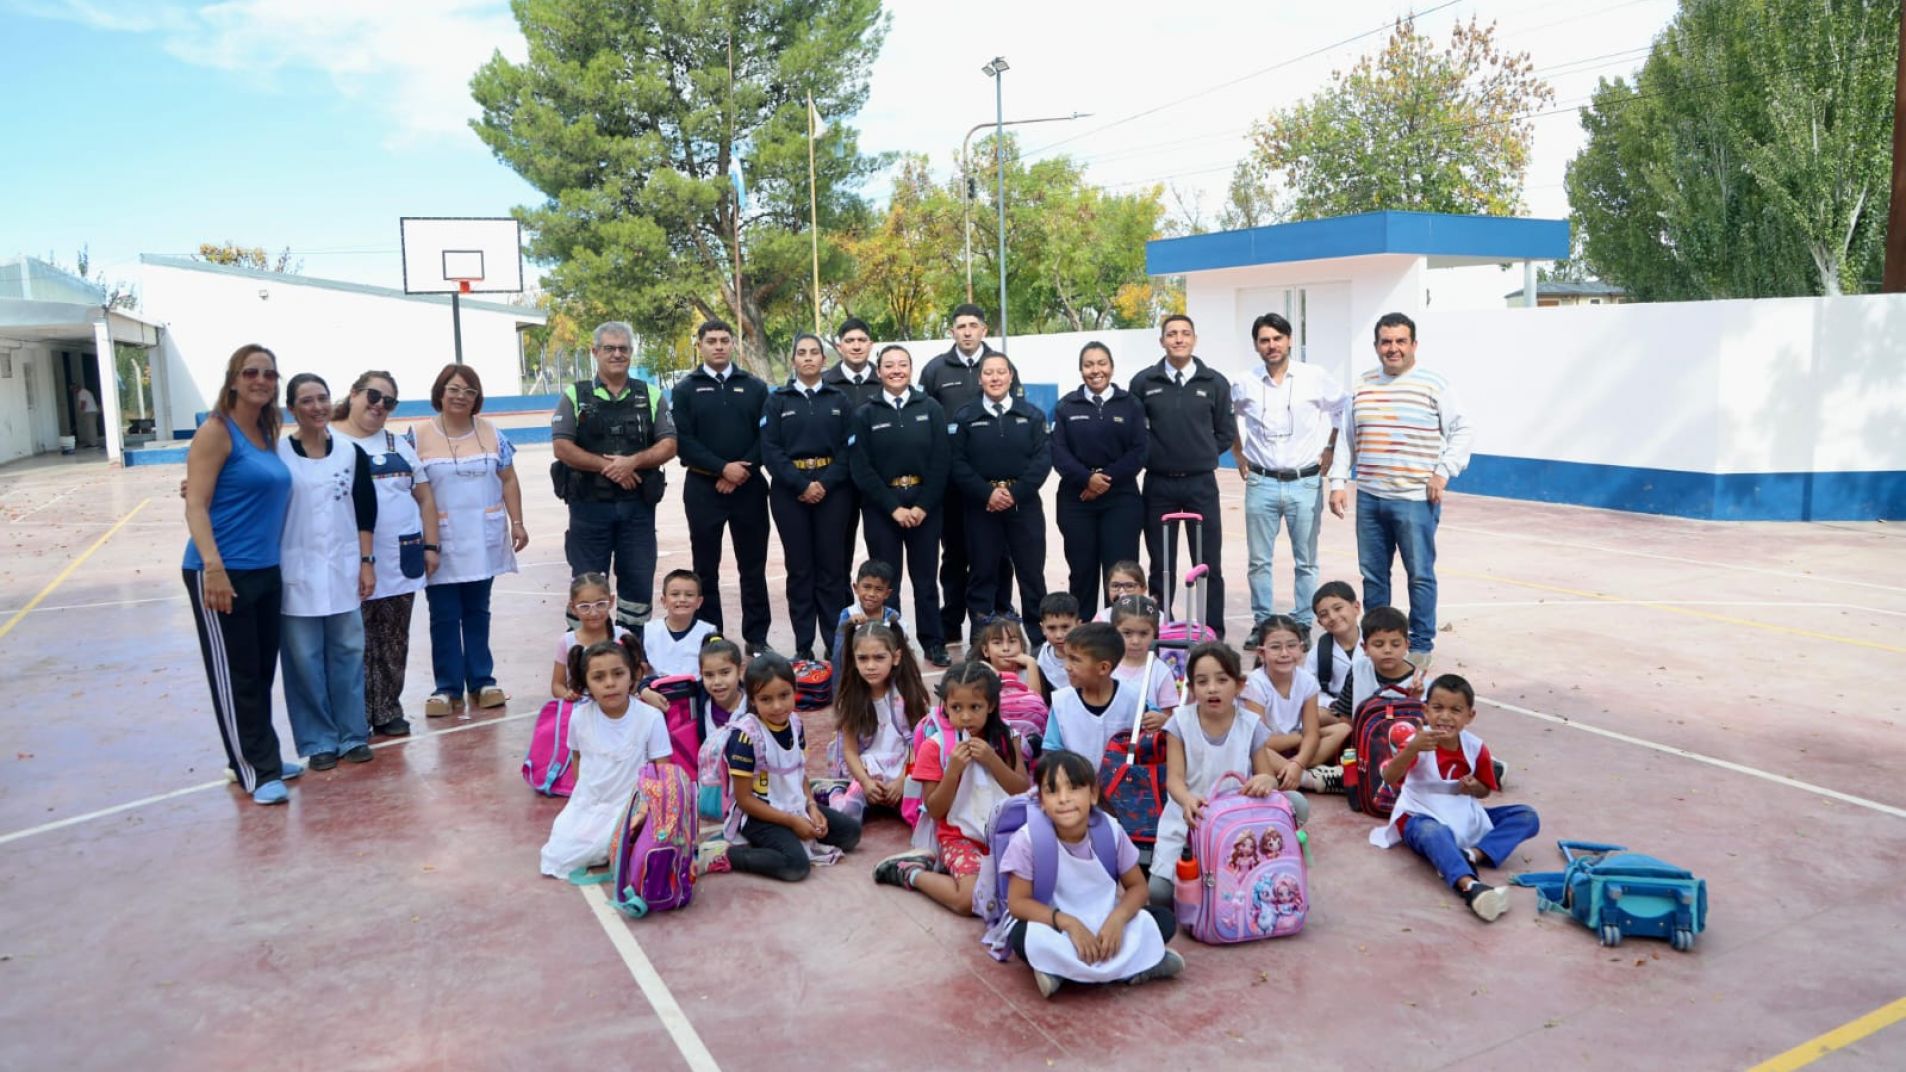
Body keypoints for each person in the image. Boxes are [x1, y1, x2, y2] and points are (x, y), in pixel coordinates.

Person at [182, 344, 300, 805]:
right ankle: (254, 769)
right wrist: (213, 567)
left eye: (270, 374)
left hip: (264, 569)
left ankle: (259, 756)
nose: (261, 380)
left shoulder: (266, 430)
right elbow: (197, 504)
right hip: (220, 571)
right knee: (236, 677)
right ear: (233, 379)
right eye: (251, 372)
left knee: (258, 672)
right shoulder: (216, 430)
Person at [1328, 312, 1473, 665]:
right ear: (1376, 346)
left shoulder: (1434, 385)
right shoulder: (1361, 386)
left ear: (1414, 345)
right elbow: (1347, 440)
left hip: (1414, 500)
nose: (1392, 348)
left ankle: (1420, 645)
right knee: (1374, 577)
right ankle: (1378, 643)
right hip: (1371, 498)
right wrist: (1337, 482)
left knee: (1420, 576)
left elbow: (1463, 431)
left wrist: (1442, 473)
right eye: (1386, 342)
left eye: (1400, 341)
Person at [1005, 750, 1183, 999]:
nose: (1064, 799)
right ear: (1042, 802)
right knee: (1023, 936)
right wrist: (1069, 923)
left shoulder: (1110, 830)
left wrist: (1117, 920)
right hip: (1058, 926)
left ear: (1093, 794)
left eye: (1074, 788)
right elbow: (1018, 903)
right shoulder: (1027, 840)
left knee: (1162, 920)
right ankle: (1142, 965)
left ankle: (1061, 972)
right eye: (1052, 791)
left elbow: (1138, 888)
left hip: (1105, 924)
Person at [1372, 673, 1539, 922]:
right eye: (1438, 708)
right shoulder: (1418, 742)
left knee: (1526, 816)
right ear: (1426, 711)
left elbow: (1485, 790)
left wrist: (1474, 787)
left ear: (1470, 716)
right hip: (1420, 814)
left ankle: (1472, 854)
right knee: (1434, 834)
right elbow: (1389, 775)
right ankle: (1471, 887)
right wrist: (1413, 749)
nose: (1446, 717)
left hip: (1463, 813)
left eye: (1456, 710)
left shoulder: (1475, 747)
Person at [1148, 642, 1306, 905]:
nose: (1212, 688)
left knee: (1298, 804)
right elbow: (1174, 779)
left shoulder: (1250, 724)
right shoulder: (1179, 722)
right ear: (1191, 689)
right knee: (1159, 893)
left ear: (1239, 685)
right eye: (1202, 681)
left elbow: (1266, 774)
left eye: (1222, 680)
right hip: (1191, 815)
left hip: (1239, 817)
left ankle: (1259, 866)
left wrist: (1264, 781)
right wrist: (1187, 799)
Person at [410, 364, 528, 717]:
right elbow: (409, 490)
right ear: (440, 392)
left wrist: (517, 522)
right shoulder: (416, 437)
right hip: (440, 541)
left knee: (478, 611)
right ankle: (447, 687)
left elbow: (508, 479)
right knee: (444, 614)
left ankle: (482, 680)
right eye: (454, 389)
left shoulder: (493, 434)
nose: (461, 396)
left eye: (469, 391)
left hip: (483, 538)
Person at [276, 373, 377, 771]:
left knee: (348, 655)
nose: (317, 407)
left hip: (343, 569)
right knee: (303, 661)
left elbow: (366, 511)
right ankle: (319, 740)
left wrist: (367, 563)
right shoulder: (279, 454)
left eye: (322, 398)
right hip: (295, 574)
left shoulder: (351, 453)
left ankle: (353, 735)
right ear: (292, 409)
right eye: (306, 400)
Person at [872, 661, 1030, 912]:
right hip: (958, 836)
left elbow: (1021, 791)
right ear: (944, 706)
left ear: (990, 705)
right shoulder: (934, 746)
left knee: (1031, 890)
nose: (965, 716)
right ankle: (911, 873)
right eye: (956, 707)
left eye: (975, 707)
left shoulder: (1008, 736)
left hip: (1005, 833)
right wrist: (953, 770)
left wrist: (992, 760)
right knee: (971, 901)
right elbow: (934, 810)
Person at [552, 321, 678, 630]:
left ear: (632, 353)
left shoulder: (650, 394)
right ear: (595, 352)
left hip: (637, 510)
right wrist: (612, 467)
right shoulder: (574, 395)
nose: (617, 354)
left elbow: (669, 444)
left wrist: (633, 461)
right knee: (588, 586)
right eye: (609, 348)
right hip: (588, 509)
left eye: (623, 348)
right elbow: (562, 448)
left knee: (637, 583)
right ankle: (583, 658)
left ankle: (632, 657)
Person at [334, 370, 439, 737]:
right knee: (354, 642)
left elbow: (425, 498)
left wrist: (431, 545)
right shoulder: (328, 441)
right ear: (353, 393)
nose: (379, 406)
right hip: (349, 561)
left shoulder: (399, 444)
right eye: (373, 396)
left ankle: (388, 710)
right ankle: (355, 715)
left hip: (400, 558)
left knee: (394, 639)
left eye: (388, 401)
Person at [700, 654, 863, 882]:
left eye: (784, 696)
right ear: (753, 700)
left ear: (794, 690)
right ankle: (726, 854)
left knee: (851, 833)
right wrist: (792, 822)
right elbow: (744, 799)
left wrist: (812, 807)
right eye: (766, 699)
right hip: (758, 815)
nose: (777, 706)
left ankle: (786, 838)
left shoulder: (795, 723)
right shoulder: (746, 737)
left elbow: (799, 772)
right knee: (795, 866)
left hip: (794, 804)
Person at [1232, 312, 1346, 634]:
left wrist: (1331, 447)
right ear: (1256, 345)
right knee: (1259, 562)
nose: (1272, 345)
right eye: (1265, 340)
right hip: (1261, 481)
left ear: (1290, 339)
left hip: (1305, 483)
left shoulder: (1315, 376)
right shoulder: (1245, 382)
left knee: (1306, 561)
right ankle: (1263, 624)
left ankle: (1303, 623)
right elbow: (1224, 415)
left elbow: (1342, 408)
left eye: (1277, 338)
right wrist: (1237, 452)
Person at [919, 304, 1023, 644]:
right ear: (952, 331)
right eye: (960, 326)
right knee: (955, 554)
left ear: (984, 329)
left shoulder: (1002, 366)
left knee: (999, 553)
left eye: (973, 325)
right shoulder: (935, 370)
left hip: (995, 484)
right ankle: (951, 622)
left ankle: (998, 615)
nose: (966, 331)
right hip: (952, 482)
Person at [1130, 315, 1237, 638]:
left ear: (1194, 339)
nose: (1178, 339)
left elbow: (1224, 433)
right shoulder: (1144, 382)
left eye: (1185, 333)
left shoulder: (1214, 382)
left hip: (1201, 484)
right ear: (1161, 341)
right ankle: (1161, 626)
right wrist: (1156, 456)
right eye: (1172, 334)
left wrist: (1199, 455)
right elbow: (1136, 433)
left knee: (1208, 563)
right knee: (1162, 563)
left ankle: (1212, 628)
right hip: (1159, 483)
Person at [670, 319, 772, 653]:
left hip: (749, 487)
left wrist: (740, 470)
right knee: (705, 567)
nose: (718, 346)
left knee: (753, 567)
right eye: (711, 340)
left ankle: (756, 638)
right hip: (703, 489)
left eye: (724, 340)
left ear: (733, 344)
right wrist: (721, 469)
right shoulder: (686, 389)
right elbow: (683, 441)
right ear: (699, 344)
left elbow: (766, 437)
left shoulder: (754, 387)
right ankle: (711, 635)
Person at [847, 345, 952, 666]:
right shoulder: (865, 413)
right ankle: (892, 640)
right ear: (878, 372)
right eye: (889, 365)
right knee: (885, 582)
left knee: (925, 580)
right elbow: (861, 467)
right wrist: (893, 508)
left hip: (925, 506)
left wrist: (921, 506)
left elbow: (941, 461)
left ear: (910, 369)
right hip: (883, 508)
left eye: (902, 365)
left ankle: (933, 642)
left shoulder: (930, 407)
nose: (896, 370)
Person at [538, 638, 673, 878]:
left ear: (632, 676)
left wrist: (646, 809)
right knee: (559, 853)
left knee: (609, 844)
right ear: (586, 683)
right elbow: (578, 758)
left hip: (632, 804)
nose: (610, 683)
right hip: (589, 802)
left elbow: (663, 771)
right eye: (598, 677)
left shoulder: (650, 717)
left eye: (618, 673)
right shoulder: (580, 717)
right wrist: (581, 799)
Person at [761, 333, 854, 660]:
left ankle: (834, 641)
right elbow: (770, 450)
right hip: (790, 493)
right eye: (802, 353)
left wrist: (824, 483)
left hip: (833, 491)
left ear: (824, 360)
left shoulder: (838, 399)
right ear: (793, 360)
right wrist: (801, 485)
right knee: (800, 570)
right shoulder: (778, 400)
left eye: (815, 352)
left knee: (832, 569)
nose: (809, 358)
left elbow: (848, 448)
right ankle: (803, 645)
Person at [950, 352, 1050, 629]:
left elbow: (1042, 461)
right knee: (982, 574)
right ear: (980, 379)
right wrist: (987, 494)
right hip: (982, 507)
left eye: (1001, 372)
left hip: (1024, 506)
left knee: (1031, 575)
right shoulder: (965, 417)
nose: (995, 378)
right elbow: (957, 463)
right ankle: (981, 638)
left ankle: (1038, 637)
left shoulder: (1031, 415)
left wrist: (1014, 493)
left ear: (1011, 376)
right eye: (988, 373)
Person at [1050, 342, 1147, 613]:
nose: (1096, 370)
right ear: (1081, 369)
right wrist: (1086, 479)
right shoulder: (1066, 406)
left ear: (1112, 367)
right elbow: (1058, 451)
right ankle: (1085, 640)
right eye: (1089, 364)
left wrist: (1103, 480)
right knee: (1082, 572)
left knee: (1121, 575)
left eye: (1102, 363)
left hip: (1121, 500)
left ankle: (1122, 632)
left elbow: (1139, 451)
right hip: (1076, 500)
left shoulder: (1130, 404)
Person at [826, 620, 931, 821]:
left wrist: (902, 780)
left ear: (896, 657)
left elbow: (915, 745)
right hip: (866, 771)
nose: (870, 666)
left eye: (879, 657)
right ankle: (835, 792)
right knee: (846, 816)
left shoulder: (908, 694)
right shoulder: (850, 698)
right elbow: (849, 750)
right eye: (863, 659)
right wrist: (865, 782)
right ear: (853, 659)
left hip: (905, 768)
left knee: (921, 814)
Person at [1241, 616, 1350, 791]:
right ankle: (1309, 779)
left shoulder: (1306, 681)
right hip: (1266, 750)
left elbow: (1312, 734)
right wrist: (1303, 737)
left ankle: (1292, 773)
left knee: (1343, 729)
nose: (1284, 653)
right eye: (1275, 647)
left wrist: (1298, 763)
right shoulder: (1254, 684)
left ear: (1301, 649)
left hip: (1293, 748)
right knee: (1250, 749)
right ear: (1261, 654)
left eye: (1291, 646)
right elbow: (1261, 741)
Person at [821, 317, 884, 559]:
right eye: (849, 341)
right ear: (839, 347)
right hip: (838, 480)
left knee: (881, 547)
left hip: (878, 479)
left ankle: (881, 597)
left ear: (871, 344)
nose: (856, 346)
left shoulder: (886, 380)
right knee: (838, 548)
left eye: (861, 340)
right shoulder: (824, 383)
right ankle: (841, 598)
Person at [1041, 622, 1141, 763]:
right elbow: (1051, 751)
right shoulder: (1061, 702)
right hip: (1074, 783)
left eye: (1075, 660)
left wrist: (1159, 720)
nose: (1067, 667)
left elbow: (1154, 730)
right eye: (1067, 657)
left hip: (1124, 783)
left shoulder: (1135, 698)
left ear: (1103, 668)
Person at [1328, 606, 1425, 725]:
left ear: (1406, 646)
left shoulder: (1419, 683)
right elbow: (1345, 717)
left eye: (1395, 644)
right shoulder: (1358, 671)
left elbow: (1426, 726)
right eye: (1378, 645)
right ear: (1365, 648)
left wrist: (1415, 700)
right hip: (1362, 741)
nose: (1387, 650)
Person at [551, 573, 630, 701]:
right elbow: (557, 685)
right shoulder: (567, 641)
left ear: (611, 601)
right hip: (581, 709)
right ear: (573, 608)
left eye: (600, 604)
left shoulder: (623, 637)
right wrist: (567, 694)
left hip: (618, 707)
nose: (593, 613)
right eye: (584, 607)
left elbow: (636, 677)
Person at [1108, 597, 1182, 716]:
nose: (1136, 641)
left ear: (1154, 633)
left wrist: (1161, 720)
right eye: (1127, 633)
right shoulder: (1105, 666)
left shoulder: (1161, 672)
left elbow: (1169, 717)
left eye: (1143, 633)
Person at [643, 570, 719, 678]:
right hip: (657, 692)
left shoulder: (708, 632)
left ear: (699, 602)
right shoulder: (649, 631)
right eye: (675, 594)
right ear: (664, 601)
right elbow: (640, 669)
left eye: (689, 595)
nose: (682, 599)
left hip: (696, 692)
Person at [1305, 580, 1363, 710]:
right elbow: (1310, 691)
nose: (1332, 617)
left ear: (1356, 608)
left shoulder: (1378, 641)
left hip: (1376, 709)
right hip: (1336, 711)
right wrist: (1331, 703)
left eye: (1338, 608)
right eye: (1324, 615)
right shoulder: (1318, 653)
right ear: (1320, 623)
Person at [1035, 592, 1081, 697]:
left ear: (1078, 625)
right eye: (1051, 628)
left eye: (1065, 627)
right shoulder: (1037, 659)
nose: (1059, 635)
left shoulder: (1093, 656)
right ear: (1042, 629)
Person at [71, 382, 101, 448]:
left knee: (91, 428)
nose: (73, 391)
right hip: (90, 411)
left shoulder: (82, 392)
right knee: (89, 428)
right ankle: (91, 443)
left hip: (89, 412)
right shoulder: (84, 392)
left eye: (73, 389)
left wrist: (81, 412)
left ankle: (94, 443)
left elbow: (83, 403)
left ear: (76, 388)